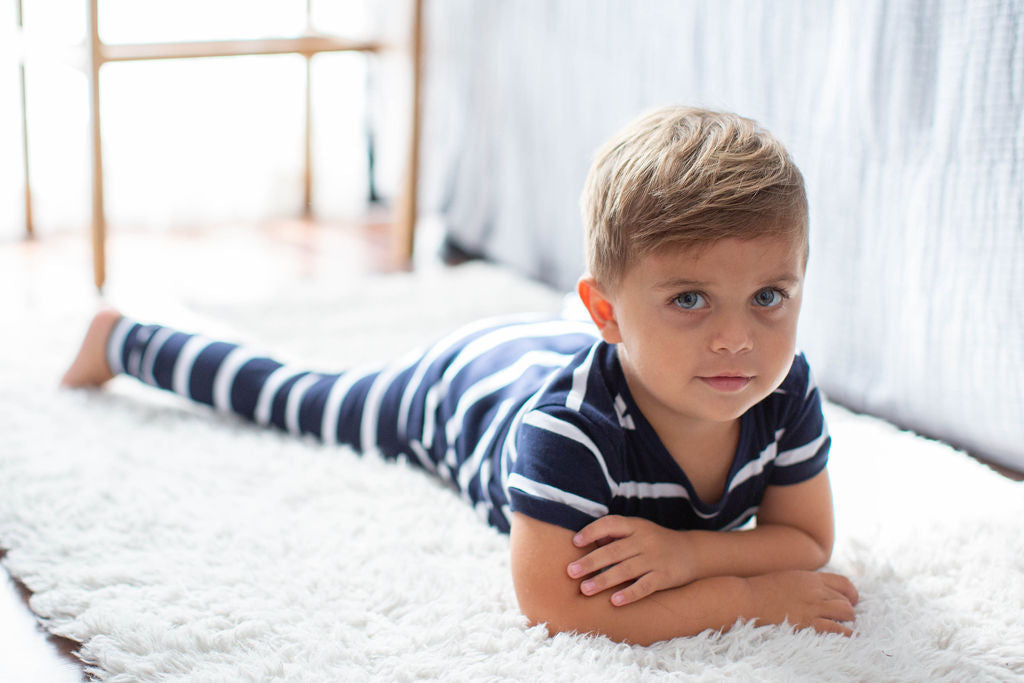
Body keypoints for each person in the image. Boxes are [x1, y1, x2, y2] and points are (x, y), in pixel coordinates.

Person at [62, 106, 858, 645]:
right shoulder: (565, 431)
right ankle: (127, 338)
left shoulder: (786, 394)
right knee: (298, 397)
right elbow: (554, 603)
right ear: (606, 312)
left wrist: (689, 557)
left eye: (768, 297)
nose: (736, 339)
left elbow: (807, 537)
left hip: (570, 352)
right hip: (463, 393)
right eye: (690, 298)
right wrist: (750, 599)